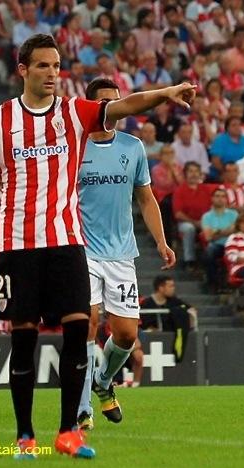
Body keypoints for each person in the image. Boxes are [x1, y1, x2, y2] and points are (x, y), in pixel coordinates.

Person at [0, 34, 195, 459]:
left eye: (57, 65)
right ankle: (25, 437)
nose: (53, 73)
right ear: (23, 70)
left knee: (76, 333)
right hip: (17, 246)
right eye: (44, 66)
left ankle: (69, 432)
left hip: (68, 244)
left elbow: (126, 104)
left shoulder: (73, 112)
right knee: (24, 342)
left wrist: (166, 94)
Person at [76, 78, 175, 431]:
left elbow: (146, 199)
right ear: (91, 107)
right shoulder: (75, 147)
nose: (112, 109)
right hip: (82, 249)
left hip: (120, 253)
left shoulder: (132, 147)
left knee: (126, 335)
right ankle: (83, 406)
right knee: (85, 325)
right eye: (104, 103)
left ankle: (103, 382)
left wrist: (161, 241)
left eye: (116, 102)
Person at [201, 188, 238, 291]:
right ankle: (213, 284)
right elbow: (208, 236)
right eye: (217, 196)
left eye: (223, 196)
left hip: (234, 244)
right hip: (217, 245)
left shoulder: (234, 214)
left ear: (226, 199)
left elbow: (237, 231)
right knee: (209, 252)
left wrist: (216, 231)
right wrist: (228, 230)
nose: (220, 199)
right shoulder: (207, 216)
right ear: (212, 199)